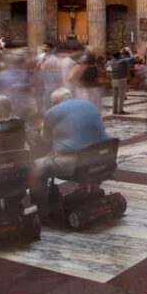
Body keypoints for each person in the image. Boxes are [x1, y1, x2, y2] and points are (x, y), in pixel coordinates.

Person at [32, 88, 110, 216]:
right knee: (86, 144)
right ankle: (93, 189)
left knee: (36, 166)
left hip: (77, 163)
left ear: (55, 101)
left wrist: (42, 127)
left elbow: (45, 138)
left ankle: (43, 210)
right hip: (103, 158)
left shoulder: (52, 112)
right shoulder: (88, 104)